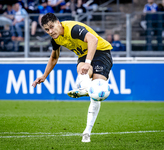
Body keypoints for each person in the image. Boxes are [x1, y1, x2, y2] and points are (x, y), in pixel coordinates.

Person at [32, 13, 113, 142]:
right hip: (84, 55)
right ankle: (87, 89)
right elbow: (54, 57)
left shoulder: (73, 28)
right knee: (84, 74)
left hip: (101, 52)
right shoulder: (56, 39)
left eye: (52, 27)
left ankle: (87, 130)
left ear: (58, 22)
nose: (50, 31)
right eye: (47, 30)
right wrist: (44, 75)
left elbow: (93, 40)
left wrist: (88, 62)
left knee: (96, 95)